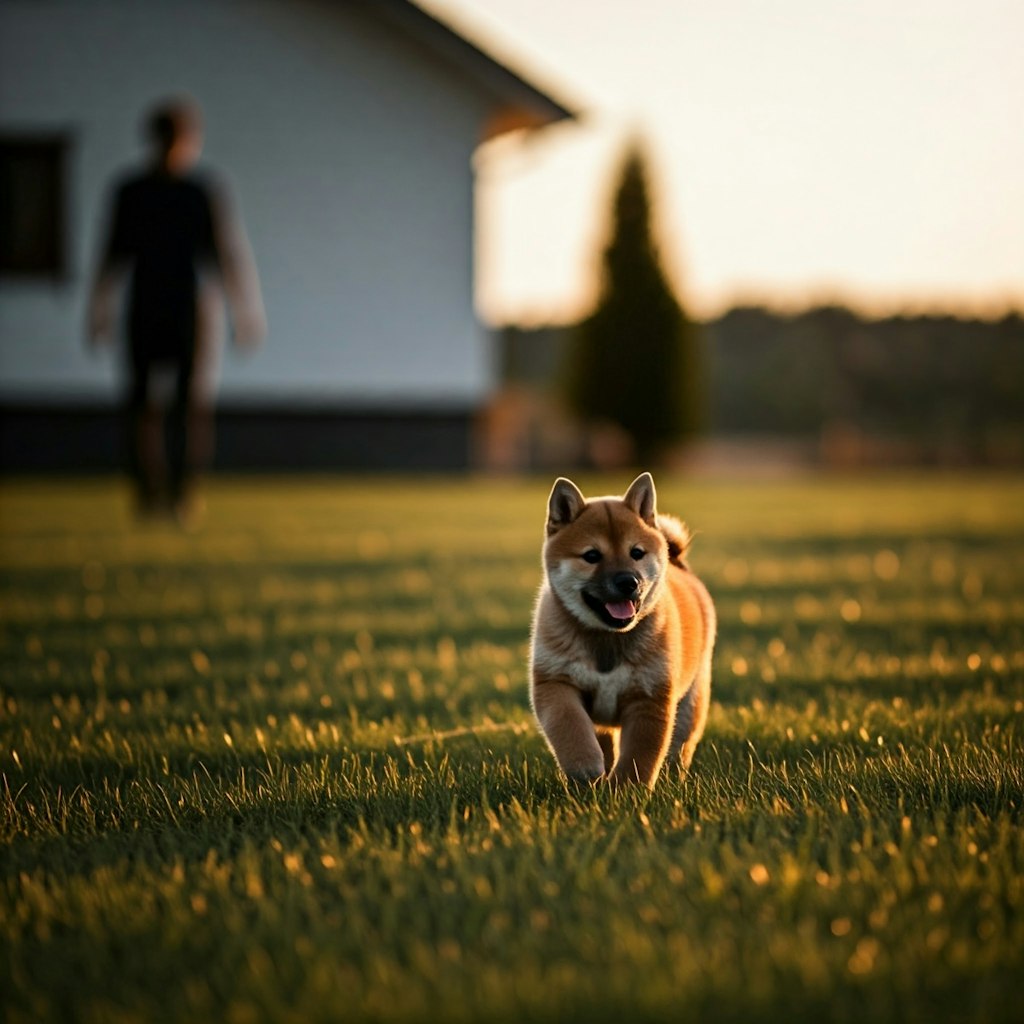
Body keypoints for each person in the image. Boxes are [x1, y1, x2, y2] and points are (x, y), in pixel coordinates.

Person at [88, 96, 264, 524]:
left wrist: (244, 312)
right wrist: (98, 309)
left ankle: (182, 495)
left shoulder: (199, 193)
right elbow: (111, 256)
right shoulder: (132, 192)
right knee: (141, 406)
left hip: (191, 310)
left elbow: (225, 255)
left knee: (188, 407)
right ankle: (148, 495)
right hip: (146, 306)